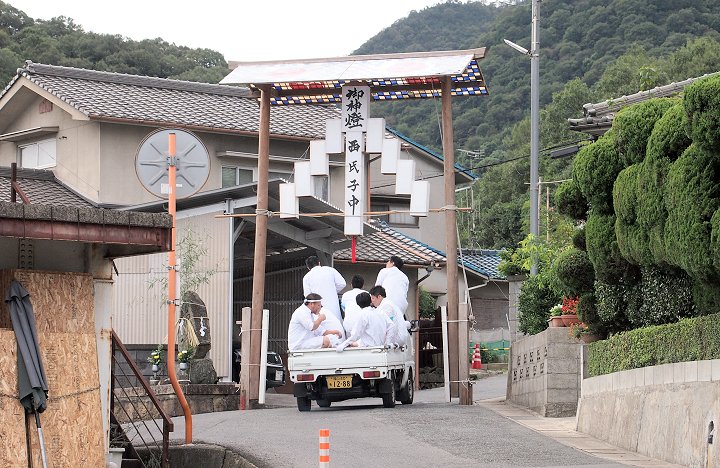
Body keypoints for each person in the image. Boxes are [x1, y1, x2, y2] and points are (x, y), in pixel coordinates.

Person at [303, 255, 346, 324]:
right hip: (334, 309)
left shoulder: (306, 277)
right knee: (336, 325)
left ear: (308, 267)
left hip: (319, 310)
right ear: (319, 263)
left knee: (322, 328)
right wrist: (332, 291)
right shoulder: (330, 270)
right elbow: (342, 283)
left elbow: (307, 295)